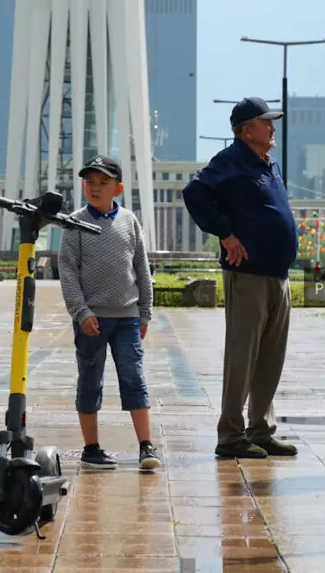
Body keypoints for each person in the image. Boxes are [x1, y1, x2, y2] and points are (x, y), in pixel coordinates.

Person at [182, 97, 299, 459]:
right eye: (266, 122)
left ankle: (260, 430)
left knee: (270, 357)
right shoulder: (230, 160)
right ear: (247, 130)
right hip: (247, 274)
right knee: (242, 357)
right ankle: (231, 436)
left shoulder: (269, 163)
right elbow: (194, 192)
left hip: (277, 275)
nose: (273, 128)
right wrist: (225, 233)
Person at [58, 154, 161, 471]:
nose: (95, 187)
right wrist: (81, 311)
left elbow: (142, 269)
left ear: (118, 188)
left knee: (134, 379)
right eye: (90, 181)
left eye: (103, 183)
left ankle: (146, 446)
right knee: (90, 381)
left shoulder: (129, 222)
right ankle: (91, 448)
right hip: (91, 320)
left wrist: (145, 313)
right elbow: (68, 271)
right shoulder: (74, 223)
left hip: (128, 318)